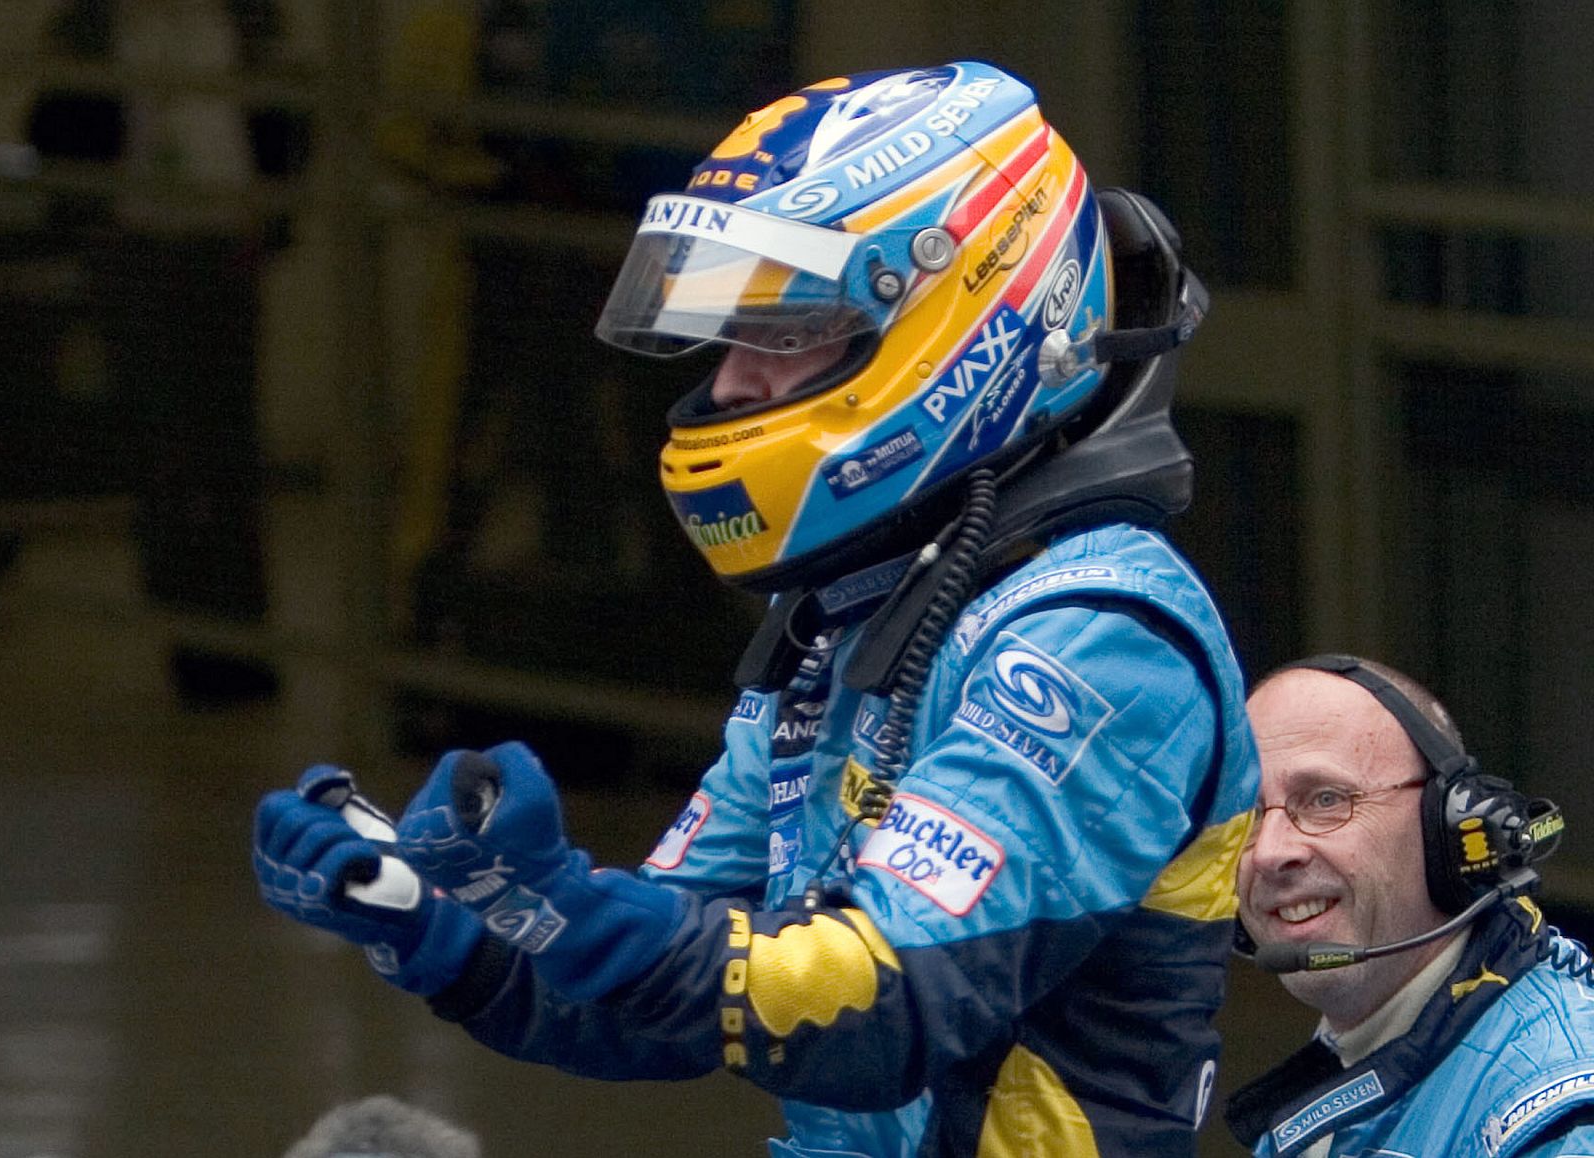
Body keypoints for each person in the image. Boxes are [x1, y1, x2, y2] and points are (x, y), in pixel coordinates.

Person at [254, 61, 1260, 1157]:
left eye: (784, 333)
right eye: (731, 335)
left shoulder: (1099, 633)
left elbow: (878, 1004)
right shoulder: (852, 616)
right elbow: (666, 996)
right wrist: (430, 911)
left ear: (963, 320)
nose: (729, 383)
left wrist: (571, 904)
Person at [1226, 654, 1585, 1157]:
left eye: (1326, 800)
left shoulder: (1561, 1123)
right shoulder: (1351, 1054)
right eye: (1248, 813)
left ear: (1449, 831)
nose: (1269, 852)